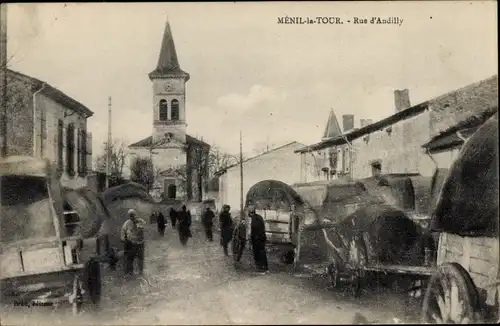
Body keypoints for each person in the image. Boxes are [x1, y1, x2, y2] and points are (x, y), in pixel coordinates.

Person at [120, 209, 146, 277]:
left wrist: (137, 224)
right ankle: (130, 273)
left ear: (135, 215)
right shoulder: (127, 223)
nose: (132, 217)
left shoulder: (140, 221)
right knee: (130, 258)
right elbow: (123, 230)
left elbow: (141, 228)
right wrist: (123, 238)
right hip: (131, 244)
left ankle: (140, 272)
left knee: (140, 258)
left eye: (133, 215)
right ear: (129, 216)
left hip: (140, 243)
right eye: (130, 216)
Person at [248, 205, 268, 274]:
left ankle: (260, 269)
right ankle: (265, 268)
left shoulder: (253, 219)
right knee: (262, 253)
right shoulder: (259, 217)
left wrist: (251, 239)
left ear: (250, 212)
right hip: (262, 237)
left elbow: (254, 230)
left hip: (257, 239)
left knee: (257, 254)